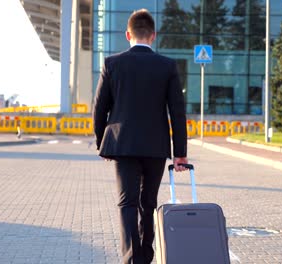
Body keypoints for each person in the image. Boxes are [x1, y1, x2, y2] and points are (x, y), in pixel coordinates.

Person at [92, 9, 188, 264]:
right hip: (156, 147)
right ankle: (145, 255)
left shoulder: (112, 64)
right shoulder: (167, 66)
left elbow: (99, 109)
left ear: (128, 34)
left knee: (127, 203)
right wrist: (180, 153)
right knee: (148, 202)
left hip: (122, 145)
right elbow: (177, 112)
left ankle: (132, 259)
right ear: (153, 36)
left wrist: (103, 142)